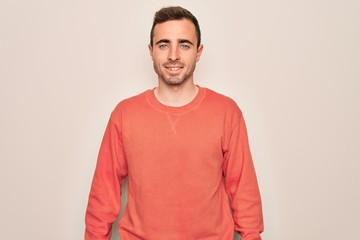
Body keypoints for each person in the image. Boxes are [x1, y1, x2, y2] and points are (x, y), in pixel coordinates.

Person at [85, 6, 264, 240]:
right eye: (164, 45)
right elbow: (103, 195)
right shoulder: (124, 114)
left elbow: (244, 192)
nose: (173, 55)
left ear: (198, 52)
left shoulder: (226, 112)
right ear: (151, 51)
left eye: (184, 45)